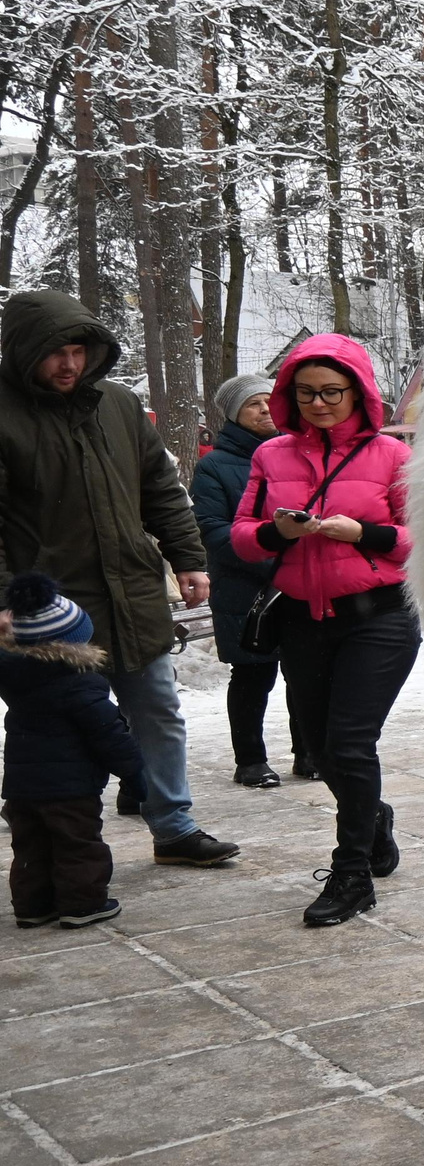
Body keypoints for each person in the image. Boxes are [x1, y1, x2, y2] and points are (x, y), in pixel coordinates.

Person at [0, 290, 234, 868]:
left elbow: (160, 488)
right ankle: (66, 844)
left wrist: (188, 558)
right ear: (23, 351)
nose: (69, 365)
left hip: (132, 592)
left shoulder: (120, 404)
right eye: (55, 353)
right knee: (60, 730)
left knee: (157, 710)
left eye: (78, 351)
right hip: (49, 614)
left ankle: (174, 827)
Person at [233, 335, 417, 926]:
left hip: (379, 619)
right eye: (305, 393)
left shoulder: (394, 457)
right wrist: (278, 534)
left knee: (348, 743)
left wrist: (361, 534)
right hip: (301, 620)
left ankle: (351, 872)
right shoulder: (271, 456)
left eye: (331, 392)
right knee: (318, 747)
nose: (319, 403)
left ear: (358, 393)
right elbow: (241, 534)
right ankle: (374, 818)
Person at [2, 574, 146, 928]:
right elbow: (108, 734)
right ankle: (84, 904)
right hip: (70, 788)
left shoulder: (15, 676)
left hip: (21, 787)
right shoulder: (80, 684)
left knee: (30, 847)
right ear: (77, 640)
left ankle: (33, 907)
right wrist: (135, 773)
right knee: (77, 844)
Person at [190, 372, 311, 788]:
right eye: (253, 404)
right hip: (245, 587)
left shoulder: (296, 454)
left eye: (269, 401)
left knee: (305, 671)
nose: (265, 410)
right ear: (233, 415)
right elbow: (213, 528)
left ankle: (308, 751)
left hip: (298, 584)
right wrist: (269, 558)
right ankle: (251, 760)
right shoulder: (214, 467)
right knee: (252, 675)